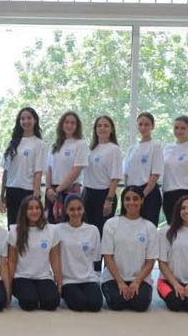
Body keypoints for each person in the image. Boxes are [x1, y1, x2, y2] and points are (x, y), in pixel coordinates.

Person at [100, 186, 158, 312]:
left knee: (140, 304)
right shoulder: (111, 224)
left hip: (140, 278)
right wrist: (120, 282)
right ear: (123, 201)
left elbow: (150, 262)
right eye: (127, 199)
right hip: (114, 278)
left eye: (135, 199)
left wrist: (137, 282)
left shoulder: (150, 227)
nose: (131, 202)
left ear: (142, 201)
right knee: (116, 303)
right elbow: (108, 257)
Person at [7, 196, 62, 311]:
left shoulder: (51, 230)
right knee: (29, 303)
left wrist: (59, 282)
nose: (34, 211)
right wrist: (8, 287)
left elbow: (55, 259)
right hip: (21, 277)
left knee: (52, 303)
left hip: (43, 276)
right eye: (30, 208)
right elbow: (11, 261)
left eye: (37, 208)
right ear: (24, 211)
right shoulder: (15, 231)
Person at [83, 114, 122, 270]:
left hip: (104, 196)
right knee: (89, 235)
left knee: (101, 236)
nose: (102, 128)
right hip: (88, 195)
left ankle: (101, 271)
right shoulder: (91, 149)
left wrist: (109, 200)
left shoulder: (114, 149)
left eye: (106, 125)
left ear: (111, 129)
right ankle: (89, 270)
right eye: (99, 125)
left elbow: (114, 178)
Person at [56, 194, 103, 312]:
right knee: (79, 304)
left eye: (79, 209)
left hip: (89, 279)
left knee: (95, 305)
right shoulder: (57, 230)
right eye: (72, 209)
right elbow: (54, 258)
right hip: (68, 280)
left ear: (83, 210)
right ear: (66, 211)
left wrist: (97, 280)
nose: (76, 212)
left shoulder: (93, 230)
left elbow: (96, 259)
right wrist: (59, 283)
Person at [1, 107, 47, 229]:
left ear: (35, 120)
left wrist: (35, 198)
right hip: (11, 191)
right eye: (22, 119)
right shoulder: (12, 143)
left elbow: (38, 173)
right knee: (13, 228)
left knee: (29, 228)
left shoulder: (39, 144)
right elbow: (6, 171)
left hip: (28, 192)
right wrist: (2, 193)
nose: (26, 121)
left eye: (29, 118)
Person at [45, 111, 88, 223]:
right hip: (52, 193)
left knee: (70, 224)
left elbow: (76, 170)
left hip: (69, 191)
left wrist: (58, 190)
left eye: (72, 123)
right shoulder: (55, 145)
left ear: (77, 126)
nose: (69, 125)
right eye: (66, 122)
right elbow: (48, 169)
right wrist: (48, 188)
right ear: (61, 124)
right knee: (52, 225)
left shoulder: (80, 144)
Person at [162, 115, 188, 225]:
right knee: (172, 230)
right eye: (176, 128)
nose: (179, 131)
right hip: (168, 194)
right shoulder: (167, 148)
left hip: (186, 193)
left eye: (182, 128)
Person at [123, 112, 163, 226]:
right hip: (132, 194)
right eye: (140, 124)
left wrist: (142, 196)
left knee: (148, 228)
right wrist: (129, 194)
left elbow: (155, 174)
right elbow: (126, 173)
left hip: (148, 194)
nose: (143, 127)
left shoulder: (155, 146)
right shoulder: (131, 148)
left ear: (152, 126)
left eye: (147, 124)